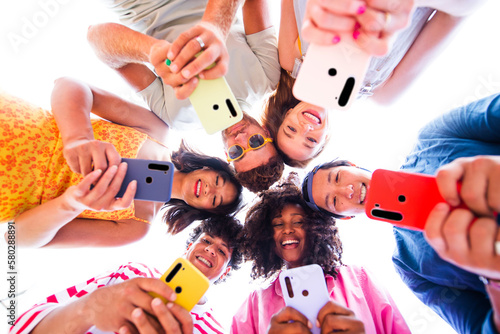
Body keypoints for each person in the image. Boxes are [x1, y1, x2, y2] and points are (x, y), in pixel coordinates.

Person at [302, 93, 500, 333]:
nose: (347, 190)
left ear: (353, 166)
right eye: (334, 201)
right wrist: (494, 278)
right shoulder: (408, 265)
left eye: (338, 177)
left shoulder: (436, 137)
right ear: (346, 217)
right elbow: (478, 327)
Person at [0, 77, 243, 248]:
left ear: (203, 210)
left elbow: (15, 238)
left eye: (215, 199)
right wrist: (77, 138)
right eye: (218, 181)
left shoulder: (136, 227)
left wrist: (71, 203)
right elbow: (70, 85)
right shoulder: (155, 130)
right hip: (12, 118)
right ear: (208, 167)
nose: (211, 189)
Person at [87, 0, 284, 192]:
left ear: (226, 154)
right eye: (255, 142)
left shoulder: (177, 119)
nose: (241, 138)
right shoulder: (266, 78)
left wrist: (149, 50)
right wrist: (216, 27)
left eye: (237, 153)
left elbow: (95, 38)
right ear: (266, 132)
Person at [261, 0, 486, 168]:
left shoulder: (291, 60)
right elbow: (457, 14)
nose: (307, 128)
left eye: (291, 129)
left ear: (286, 113)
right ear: (326, 135)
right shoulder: (383, 92)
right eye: (310, 141)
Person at [231, 175, 410, 333]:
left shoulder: (358, 278)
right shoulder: (254, 305)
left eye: (299, 222)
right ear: (266, 236)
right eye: (278, 224)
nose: (288, 230)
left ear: (315, 228)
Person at [9, 216, 244, 334]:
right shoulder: (132, 273)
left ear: (226, 271)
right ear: (189, 247)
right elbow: (26, 323)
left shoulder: (214, 329)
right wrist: (90, 308)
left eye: (222, 251)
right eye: (206, 240)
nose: (211, 249)